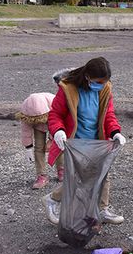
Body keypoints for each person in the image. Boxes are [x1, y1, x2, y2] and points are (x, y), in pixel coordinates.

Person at [41, 57, 127, 226]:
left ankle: (102, 210)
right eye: (98, 82)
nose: (101, 85)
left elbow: (108, 115)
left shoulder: (104, 90)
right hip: (75, 143)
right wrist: (58, 131)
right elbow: (55, 115)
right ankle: (52, 199)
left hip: (97, 141)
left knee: (103, 174)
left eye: (104, 82)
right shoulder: (68, 89)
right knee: (79, 180)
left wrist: (116, 132)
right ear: (87, 76)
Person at [17, 93, 64, 189]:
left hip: (53, 121)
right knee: (39, 147)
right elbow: (25, 130)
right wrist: (28, 147)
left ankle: (62, 169)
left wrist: (51, 140)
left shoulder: (54, 102)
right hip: (38, 127)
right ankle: (41, 175)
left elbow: (59, 121)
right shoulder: (26, 111)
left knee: (59, 144)